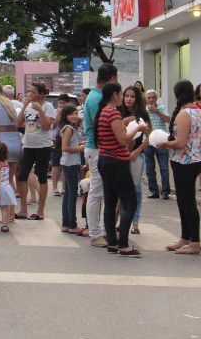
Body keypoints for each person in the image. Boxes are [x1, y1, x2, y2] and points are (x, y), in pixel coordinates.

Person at [95, 82, 146, 257]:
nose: (123, 98)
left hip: (104, 160)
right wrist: (138, 128)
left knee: (110, 203)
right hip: (117, 161)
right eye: (121, 94)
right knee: (129, 202)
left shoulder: (103, 112)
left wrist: (124, 123)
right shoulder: (113, 113)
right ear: (115, 95)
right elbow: (123, 139)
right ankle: (123, 244)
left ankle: (112, 242)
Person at [157, 80, 201, 255]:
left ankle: (195, 241)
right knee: (183, 200)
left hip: (184, 161)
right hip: (194, 159)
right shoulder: (199, 112)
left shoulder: (184, 114)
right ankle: (186, 237)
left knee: (188, 201)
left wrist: (164, 143)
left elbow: (180, 142)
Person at [83, 63, 118, 248]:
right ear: (112, 78)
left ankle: (103, 230)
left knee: (102, 191)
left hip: (98, 148)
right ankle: (95, 233)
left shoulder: (95, 96)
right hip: (97, 148)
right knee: (96, 191)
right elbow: (104, 126)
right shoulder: (97, 99)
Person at [16, 82, 55, 220]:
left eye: (33, 92)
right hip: (28, 145)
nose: (30, 94)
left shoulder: (48, 106)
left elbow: (46, 126)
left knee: (42, 175)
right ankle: (23, 210)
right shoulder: (28, 106)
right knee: (22, 176)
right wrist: (25, 106)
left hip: (43, 146)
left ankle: (40, 211)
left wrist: (40, 111)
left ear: (41, 94)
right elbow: (17, 123)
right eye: (29, 92)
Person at [120, 86, 150, 234]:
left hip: (136, 156)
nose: (129, 99)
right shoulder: (118, 112)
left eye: (132, 96)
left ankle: (135, 222)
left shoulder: (142, 115)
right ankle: (121, 219)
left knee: (136, 189)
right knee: (121, 189)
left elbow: (150, 136)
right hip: (119, 155)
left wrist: (137, 151)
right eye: (127, 96)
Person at [0, 81, 21, 204]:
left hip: (0, 142)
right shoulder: (9, 103)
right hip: (15, 141)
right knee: (9, 179)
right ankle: (10, 213)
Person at [58, 104, 85, 233]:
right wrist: (79, 149)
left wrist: (80, 144)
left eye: (76, 113)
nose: (74, 116)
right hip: (70, 163)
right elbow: (65, 148)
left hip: (68, 163)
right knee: (72, 194)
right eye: (71, 114)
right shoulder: (69, 128)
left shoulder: (68, 128)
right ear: (66, 116)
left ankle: (66, 224)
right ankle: (72, 225)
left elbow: (69, 144)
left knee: (68, 194)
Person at [144, 89, 172, 199]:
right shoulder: (144, 110)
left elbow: (168, 120)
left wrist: (157, 111)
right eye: (149, 98)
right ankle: (153, 191)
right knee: (150, 168)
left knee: (164, 167)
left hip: (161, 141)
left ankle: (165, 191)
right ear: (146, 99)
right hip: (148, 141)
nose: (151, 100)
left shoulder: (161, 107)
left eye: (153, 97)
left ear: (156, 98)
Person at [50, 93, 71, 196]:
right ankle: (54, 188)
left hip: (67, 140)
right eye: (60, 103)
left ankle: (64, 187)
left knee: (65, 164)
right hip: (56, 140)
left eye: (63, 103)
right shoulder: (55, 112)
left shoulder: (71, 114)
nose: (61, 105)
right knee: (56, 164)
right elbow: (53, 125)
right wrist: (58, 113)